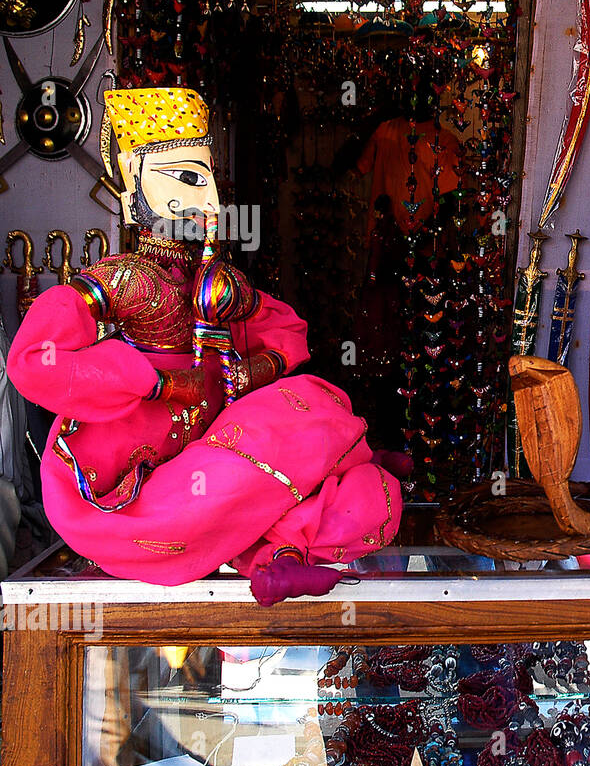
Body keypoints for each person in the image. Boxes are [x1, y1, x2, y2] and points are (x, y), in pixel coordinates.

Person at [9, 87, 403, 603]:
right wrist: (157, 384)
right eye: (190, 179)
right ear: (133, 183)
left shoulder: (212, 280)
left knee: (364, 482)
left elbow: (287, 333)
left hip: (212, 452)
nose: (212, 200)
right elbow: (33, 360)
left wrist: (252, 371)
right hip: (135, 490)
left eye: (212, 179)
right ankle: (276, 544)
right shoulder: (119, 280)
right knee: (256, 465)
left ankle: (280, 553)